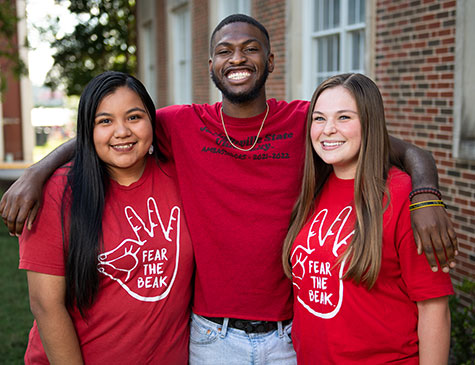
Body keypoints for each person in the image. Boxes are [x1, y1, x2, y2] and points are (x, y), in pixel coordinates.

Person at [1, 15, 456, 364]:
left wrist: (425, 194)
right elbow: (111, 131)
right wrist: (37, 172)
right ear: (212, 64)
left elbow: (404, 151)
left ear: (270, 61)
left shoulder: (309, 122)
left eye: (250, 48)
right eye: (225, 50)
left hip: (287, 337)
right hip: (209, 338)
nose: (237, 58)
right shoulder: (181, 125)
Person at [18, 71, 194, 364]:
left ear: (152, 121)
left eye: (134, 117)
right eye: (105, 121)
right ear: (88, 130)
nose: (122, 131)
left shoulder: (180, 177)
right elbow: (46, 306)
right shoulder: (58, 192)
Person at [283, 73, 453, 364]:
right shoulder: (314, 190)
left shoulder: (400, 196)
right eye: (319, 119)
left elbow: (433, 307)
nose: (328, 130)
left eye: (344, 117)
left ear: (370, 123)